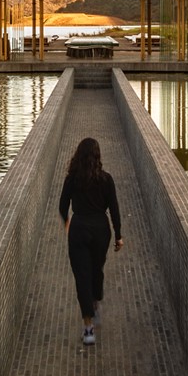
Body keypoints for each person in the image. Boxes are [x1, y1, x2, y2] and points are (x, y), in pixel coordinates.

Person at [57, 136, 123, 345]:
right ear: (97, 156)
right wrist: (119, 236)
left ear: (78, 156)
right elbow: (114, 210)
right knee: (97, 269)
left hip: (79, 229)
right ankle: (95, 303)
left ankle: (88, 328)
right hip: (101, 230)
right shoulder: (106, 179)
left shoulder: (72, 179)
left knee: (82, 277)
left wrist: (67, 222)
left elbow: (62, 206)